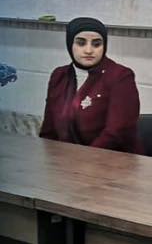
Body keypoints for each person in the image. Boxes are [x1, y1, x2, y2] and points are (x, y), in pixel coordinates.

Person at [39, 17, 143, 153]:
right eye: (81, 43)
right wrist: (48, 157)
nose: (88, 50)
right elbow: (49, 130)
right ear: (70, 44)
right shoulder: (59, 76)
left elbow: (116, 133)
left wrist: (84, 159)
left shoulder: (120, 76)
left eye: (96, 44)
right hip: (66, 159)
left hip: (112, 160)